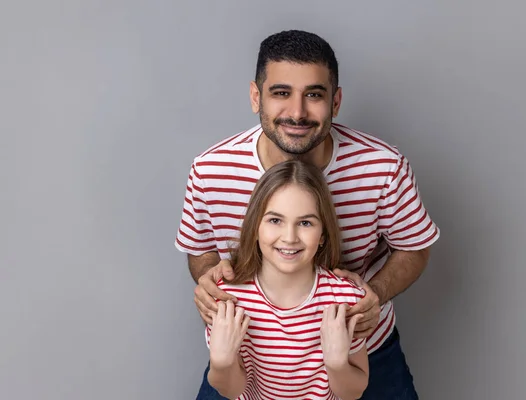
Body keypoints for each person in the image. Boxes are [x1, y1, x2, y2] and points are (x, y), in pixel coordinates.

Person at [175, 30, 440, 399]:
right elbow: (199, 249)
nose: (297, 112)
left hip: (357, 347)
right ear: (256, 97)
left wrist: (373, 295)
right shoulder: (211, 170)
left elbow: (415, 247)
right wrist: (208, 282)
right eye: (281, 93)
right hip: (252, 355)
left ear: (336, 101)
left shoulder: (383, 167)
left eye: (314, 95)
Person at [206, 159, 369, 400]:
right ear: (255, 227)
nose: (290, 237)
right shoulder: (229, 297)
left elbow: (353, 392)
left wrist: (338, 366)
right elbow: (232, 390)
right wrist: (221, 362)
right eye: (275, 220)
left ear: (322, 234)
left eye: (305, 223)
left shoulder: (345, 299)